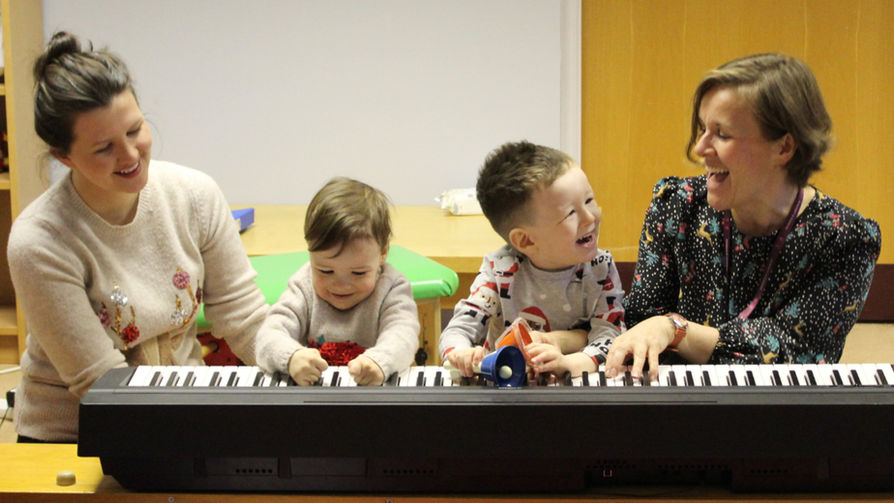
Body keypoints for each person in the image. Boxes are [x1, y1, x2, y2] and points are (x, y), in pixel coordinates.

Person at [7, 32, 301, 443]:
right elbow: (101, 384)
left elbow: (245, 319)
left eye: (135, 130)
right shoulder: (40, 241)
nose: (129, 156)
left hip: (183, 412)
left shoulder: (194, 195)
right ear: (63, 156)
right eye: (104, 148)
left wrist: (295, 362)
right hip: (76, 435)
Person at [605, 53, 882, 382]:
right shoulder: (677, 205)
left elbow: (793, 355)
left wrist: (675, 329)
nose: (699, 149)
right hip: (677, 411)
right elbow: (640, 327)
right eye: (702, 129)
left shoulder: (844, 238)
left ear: (784, 148)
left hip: (780, 421)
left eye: (721, 134)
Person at [439, 141, 626, 379]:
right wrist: (460, 353)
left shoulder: (600, 268)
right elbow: (460, 327)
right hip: (505, 389)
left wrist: (567, 362)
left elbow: (611, 335)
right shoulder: (500, 269)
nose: (590, 217)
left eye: (589, 200)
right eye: (571, 213)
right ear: (526, 241)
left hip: (575, 386)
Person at [254, 177, 419, 386]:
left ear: (383, 253)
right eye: (325, 271)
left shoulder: (392, 288)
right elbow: (267, 335)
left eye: (358, 273)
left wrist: (379, 362)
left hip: (372, 397)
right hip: (314, 398)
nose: (340, 285)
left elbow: (403, 336)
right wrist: (291, 357)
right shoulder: (303, 286)